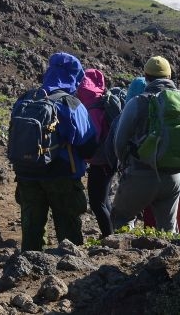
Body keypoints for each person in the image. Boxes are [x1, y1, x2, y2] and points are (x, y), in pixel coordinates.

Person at [12, 52, 96, 250]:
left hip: (26, 173)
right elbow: (88, 145)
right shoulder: (70, 104)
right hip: (62, 175)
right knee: (69, 232)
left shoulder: (26, 99)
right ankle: (71, 271)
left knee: (31, 227)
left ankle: (27, 269)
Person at [109, 56, 180, 234]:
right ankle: (167, 259)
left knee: (121, 218)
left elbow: (119, 141)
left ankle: (123, 259)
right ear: (169, 76)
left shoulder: (137, 102)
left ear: (146, 77)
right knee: (167, 230)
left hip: (141, 173)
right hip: (174, 176)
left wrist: (125, 164)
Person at [76, 68, 116, 236]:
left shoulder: (92, 108)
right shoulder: (102, 101)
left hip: (100, 161)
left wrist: (81, 153)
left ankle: (109, 236)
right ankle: (111, 233)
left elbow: (92, 137)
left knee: (96, 202)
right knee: (104, 200)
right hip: (109, 159)